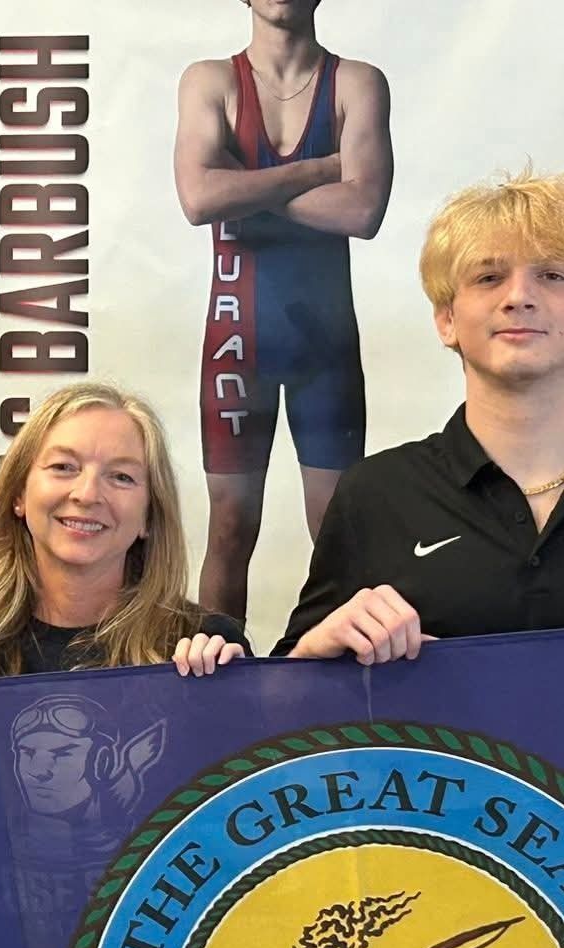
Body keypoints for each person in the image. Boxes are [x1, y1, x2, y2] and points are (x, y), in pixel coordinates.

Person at [275, 170, 564, 663]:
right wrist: (314, 649)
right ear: (447, 320)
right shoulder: (375, 493)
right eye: (489, 278)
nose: (518, 297)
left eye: (552, 275)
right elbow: (286, 690)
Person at [175, 0, 393, 624]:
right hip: (237, 341)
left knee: (336, 534)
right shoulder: (211, 80)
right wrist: (320, 170)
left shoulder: (356, 83)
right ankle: (220, 669)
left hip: (325, 349)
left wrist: (243, 190)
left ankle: (336, 673)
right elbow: (198, 199)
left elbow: (362, 212)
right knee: (229, 528)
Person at [0, 381, 248, 683]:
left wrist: (233, 692)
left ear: (149, 515)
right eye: (64, 467)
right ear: (18, 494)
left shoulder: (208, 650)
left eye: (121, 476)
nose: (87, 495)